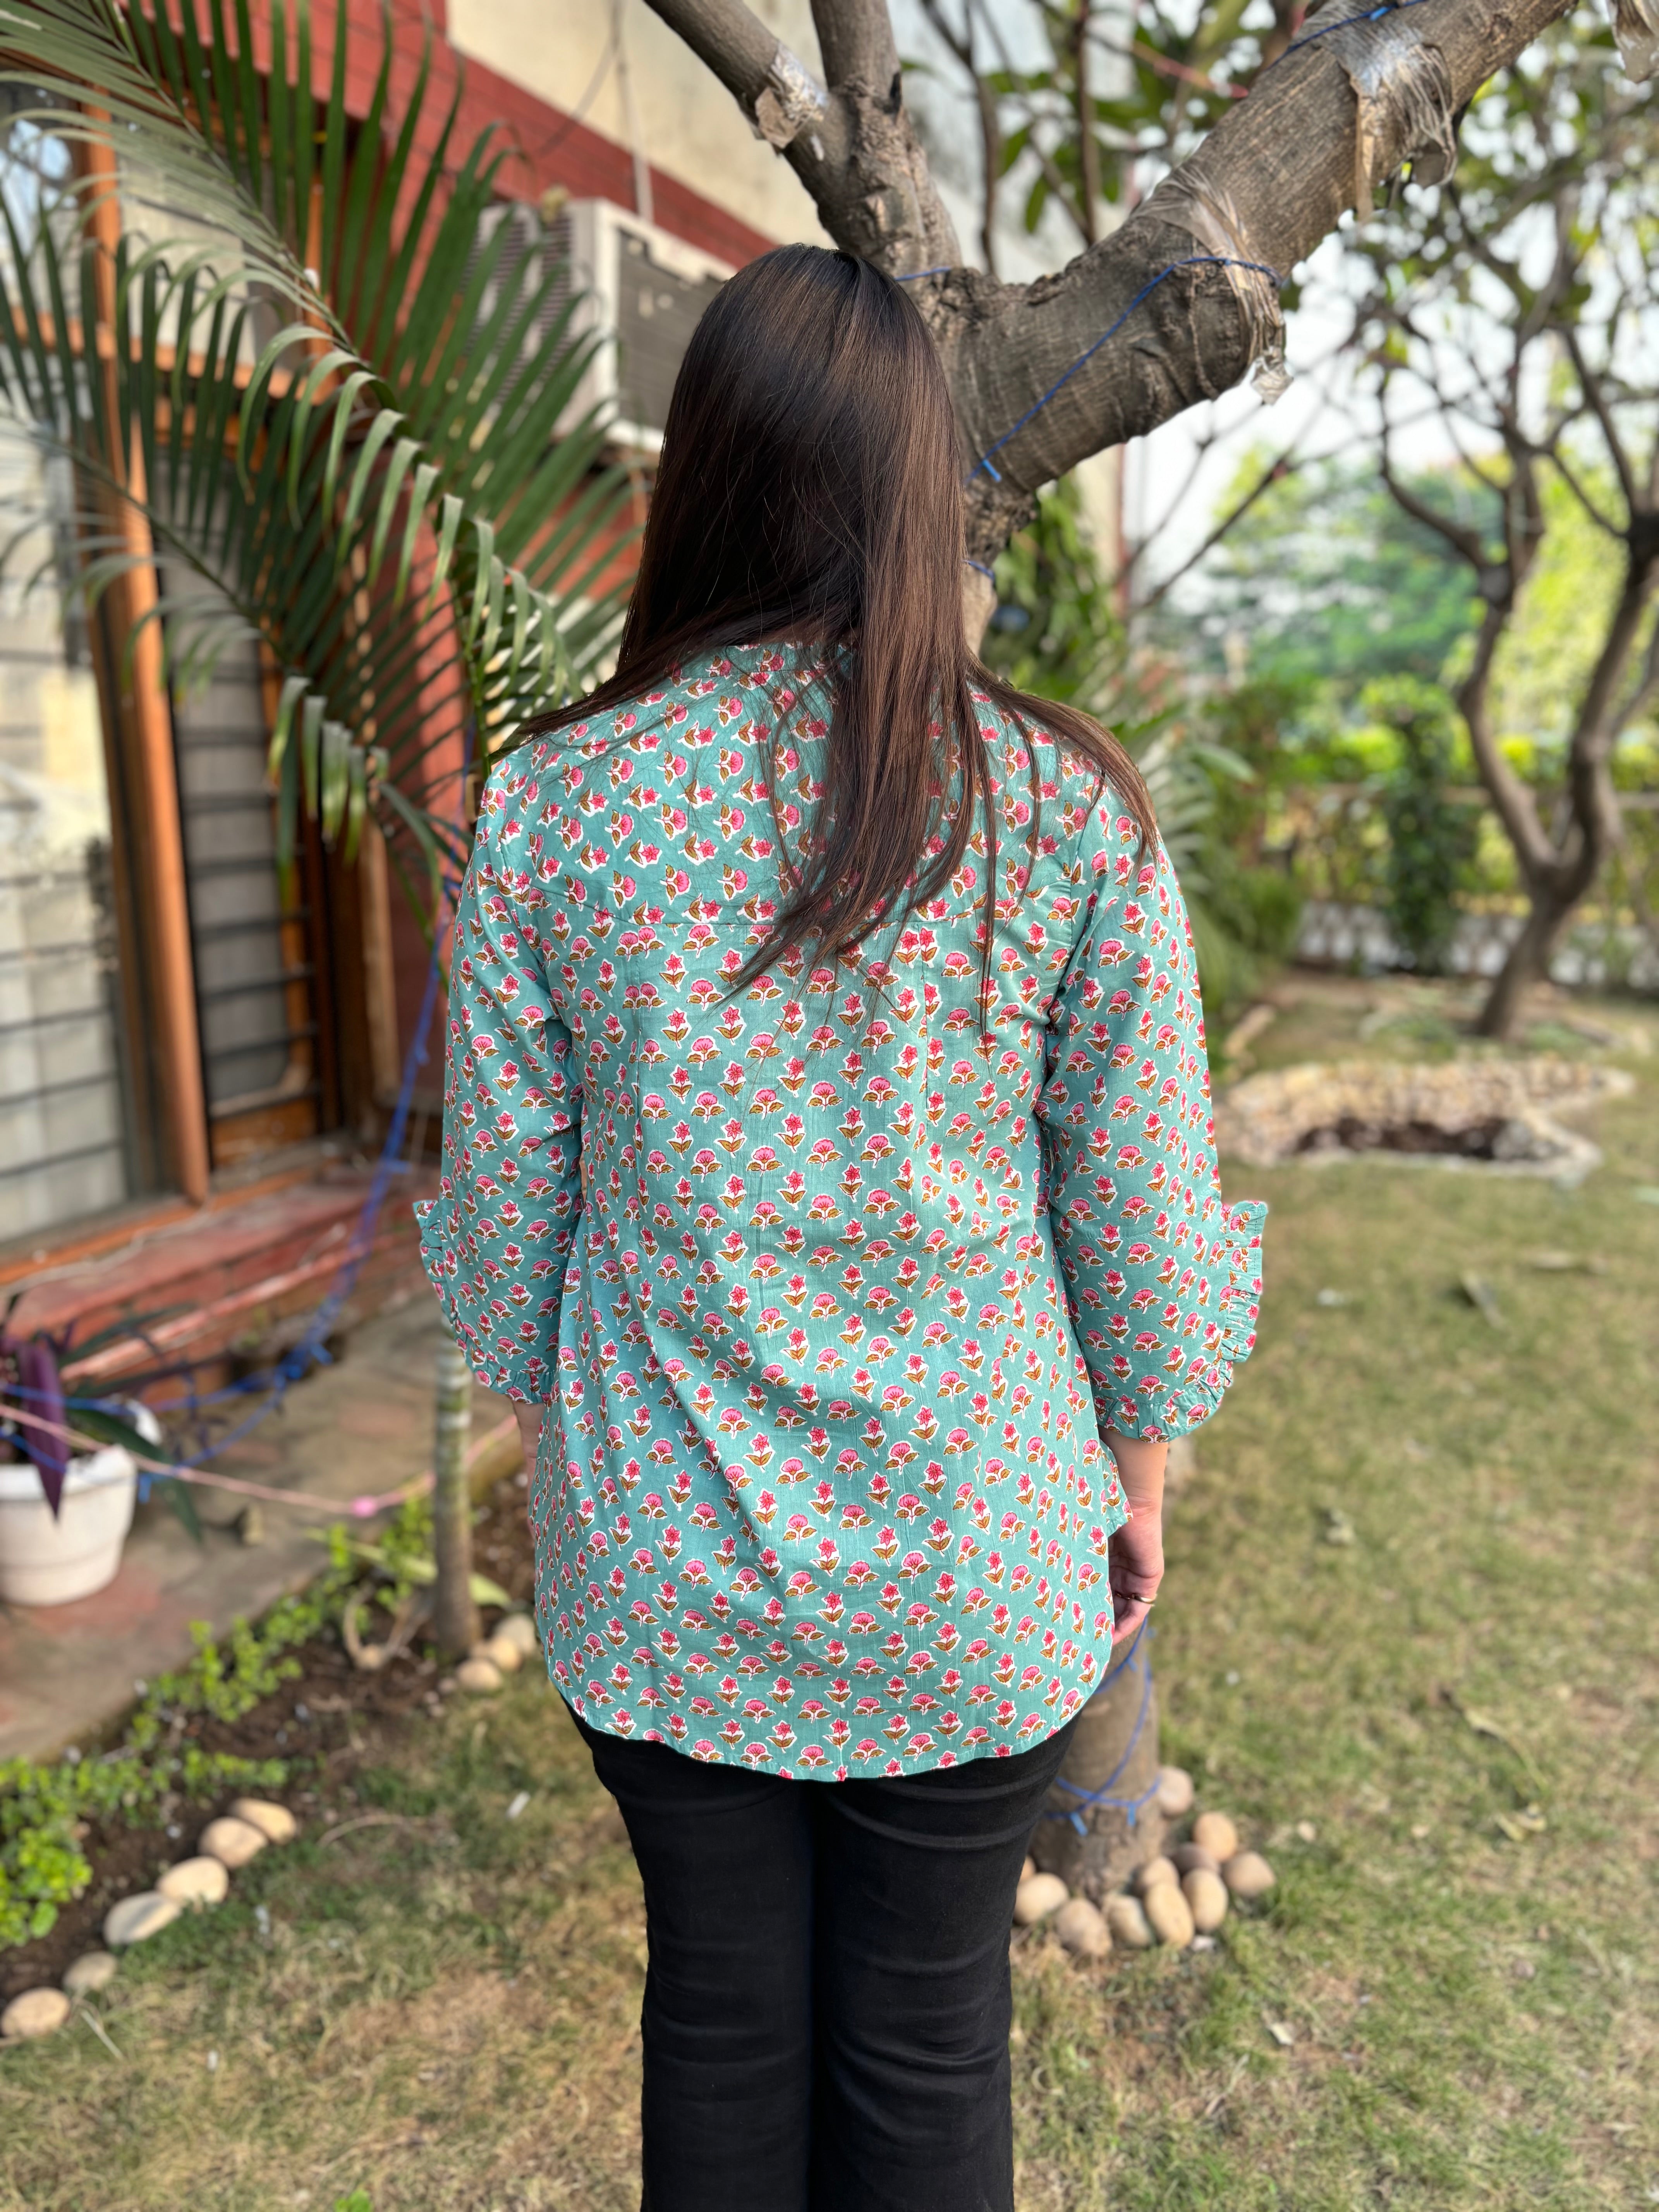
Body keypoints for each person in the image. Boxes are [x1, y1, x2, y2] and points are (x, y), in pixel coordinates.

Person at [417, 243, 1263, 2212]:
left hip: (664, 1571)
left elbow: (509, 1242)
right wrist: (1139, 1481)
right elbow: (1139, 1222)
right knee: (929, 2043)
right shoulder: (1063, 808)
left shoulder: (556, 810)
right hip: (979, 1572)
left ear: (698, 473)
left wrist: (583, 1468)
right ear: (918, 491)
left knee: (718, 2028)